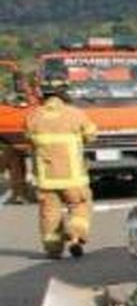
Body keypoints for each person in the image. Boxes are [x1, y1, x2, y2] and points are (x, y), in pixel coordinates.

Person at [25, 75, 96, 258]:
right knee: (80, 206)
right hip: (73, 178)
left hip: (46, 178)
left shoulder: (34, 116)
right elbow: (91, 135)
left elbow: (28, 140)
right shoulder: (75, 114)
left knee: (49, 214)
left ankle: (53, 249)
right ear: (65, 93)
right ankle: (75, 237)